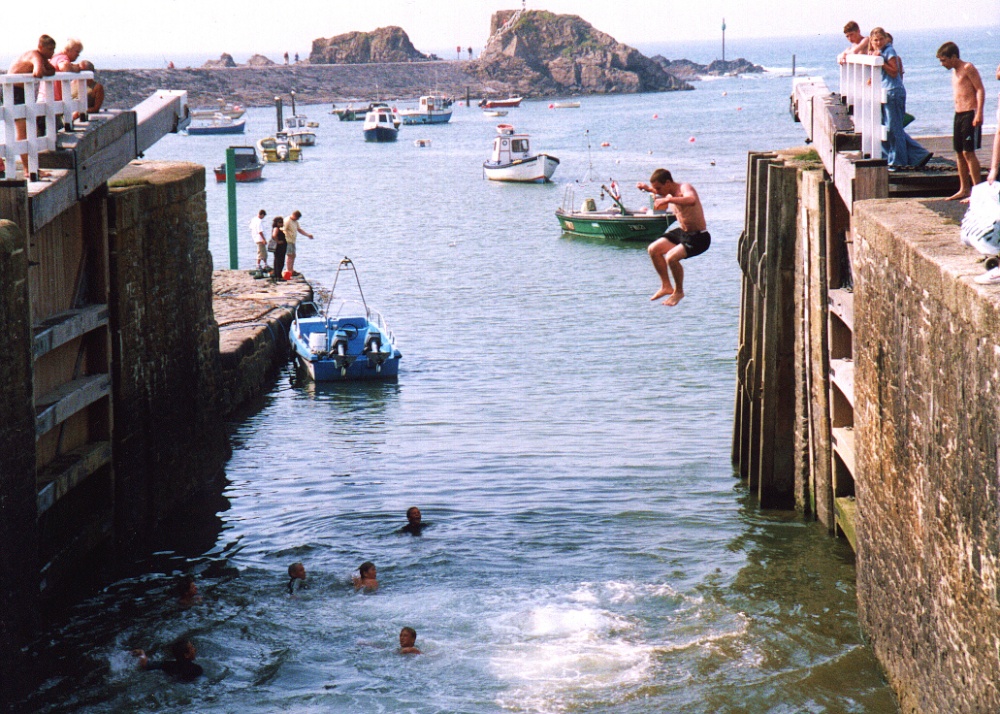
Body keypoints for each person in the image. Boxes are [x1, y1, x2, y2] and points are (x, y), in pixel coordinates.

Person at [636, 169, 710, 306]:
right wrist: (647, 189)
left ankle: (679, 291)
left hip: (699, 237)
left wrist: (668, 199)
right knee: (653, 249)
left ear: (668, 182)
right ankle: (666, 286)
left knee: (671, 257)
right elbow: (660, 192)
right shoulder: (667, 191)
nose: (657, 191)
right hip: (683, 233)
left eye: (659, 187)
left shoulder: (685, 187)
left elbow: (691, 200)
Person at [869, 28, 931, 171]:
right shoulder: (878, 52)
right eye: (875, 40)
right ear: (871, 42)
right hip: (886, 93)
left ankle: (898, 162)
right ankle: (917, 155)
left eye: (880, 39)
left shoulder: (889, 51)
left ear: (885, 39)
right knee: (888, 128)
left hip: (893, 93)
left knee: (893, 129)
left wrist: (881, 61)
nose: (878, 42)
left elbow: (893, 71)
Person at [937, 42, 985, 200]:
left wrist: (979, 113)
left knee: (968, 152)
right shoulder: (954, 71)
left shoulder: (967, 68)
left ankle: (977, 192)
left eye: (944, 60)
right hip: (958, 114)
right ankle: (964, 189)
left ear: (954, 57)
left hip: (969, 114)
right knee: (959, 153)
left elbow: (979, 89)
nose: (942, 64)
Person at [7, 35, 57, 177]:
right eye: (49, 49)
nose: (52, 52)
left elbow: (52, 71)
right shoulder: (35, 55)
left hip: (21, 92)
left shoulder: (41, 57)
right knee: (24, 132)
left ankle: (31, 168)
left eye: (53, 49)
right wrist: (43, 66)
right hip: (14, 92)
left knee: (31, 130)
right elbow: (38, 72)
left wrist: (45, 65)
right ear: (40, 47)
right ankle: (28, 170)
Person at [132, 637, 203, 682]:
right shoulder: (197, 669)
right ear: (186, 655)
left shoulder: (167, 665)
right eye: (192, 648)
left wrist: (142, 653)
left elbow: (145, 664)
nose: (195, 649)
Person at [282, 210, 314, 277]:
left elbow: (299, 229)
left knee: (293, 255)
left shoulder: (295, 221)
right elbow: (282, 229)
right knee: (290, 256)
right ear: (294, 216)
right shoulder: (287, 220)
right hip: (287, 241)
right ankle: (288, 272)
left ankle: (291, 270)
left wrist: (307, 235)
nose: (297, 219)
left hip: (292, 241)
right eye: (297, 218)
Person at [271, 216, 287, 283]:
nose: (282, 224)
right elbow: (274, 235)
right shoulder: (276, 229)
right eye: (281, 223)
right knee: (279, 261)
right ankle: (278, 276)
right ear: (277, 223)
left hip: (281, 247)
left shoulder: (277, 229)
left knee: (278, 261)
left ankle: (277, 275)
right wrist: (278, 241)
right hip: (279, 248)